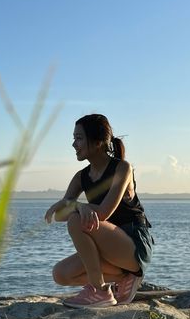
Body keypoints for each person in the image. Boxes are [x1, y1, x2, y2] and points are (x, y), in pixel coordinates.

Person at [44, 114, 154, 308]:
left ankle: (100, 290)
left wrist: (76, 206)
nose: (73, 144)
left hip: (133, 245)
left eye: (79, 138)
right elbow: (59, 215)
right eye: (74, 138)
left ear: (97, 142)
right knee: (60, 274)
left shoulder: (122, 168)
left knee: (76, 221)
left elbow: (103, 213)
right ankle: (123, 277)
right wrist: (75, 205)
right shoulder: (81, 177)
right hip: (109, 249)